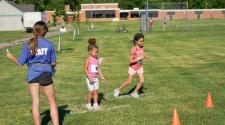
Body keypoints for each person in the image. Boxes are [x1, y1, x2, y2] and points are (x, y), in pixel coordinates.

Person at [5, 21, 59, 125]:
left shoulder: (27, 44)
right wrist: (52, 66)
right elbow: (53, 62)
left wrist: (10, 56)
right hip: (45, 74)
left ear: (34, 31)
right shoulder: (50, 44)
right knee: (52, 102)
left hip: (32, 74)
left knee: (35, 103)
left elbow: (21, 62)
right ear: (45, 31)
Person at [114, 33, 150, 98]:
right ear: (136, 41)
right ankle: (117, 90)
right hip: (132, 68)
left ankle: (134, 92)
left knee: (142, 81)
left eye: (143, 41)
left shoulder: (142, 47)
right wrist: (139, 58)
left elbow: (142, 55)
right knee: (129, 82)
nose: (142, 42)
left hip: (139, 67)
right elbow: (130, 61)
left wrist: (145, 56)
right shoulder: (133, 49)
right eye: (141, 41)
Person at [84, 38, 105, 110]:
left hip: (96, 78)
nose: (97, 53)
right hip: (89, 78)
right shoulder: (88, 59)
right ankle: (88, 104)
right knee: (91, 91)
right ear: (90, 52)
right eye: (95, 52)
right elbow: (85, 69)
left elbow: (98, 68)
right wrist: (89, 77)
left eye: (97, 52)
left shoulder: (97, 59)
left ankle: (95, 104)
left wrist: (101, 76)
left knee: (96, 91)